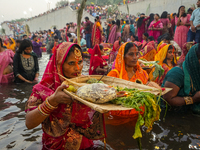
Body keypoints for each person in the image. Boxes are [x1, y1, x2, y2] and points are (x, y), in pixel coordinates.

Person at [25, 42, 106, 149]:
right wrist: (52, 101)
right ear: (59, 64)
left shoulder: (86, 85)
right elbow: (29, 123)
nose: (78, 68)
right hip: (56, 145)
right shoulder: (42, 89)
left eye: (80, 62)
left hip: (84, 144)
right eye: (71, 63)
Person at [162, 44, 200, 115]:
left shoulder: (197, 72)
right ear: (194, 60)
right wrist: (193, 99)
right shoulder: (177, 73)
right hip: (172, 114)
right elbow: (167, 99)